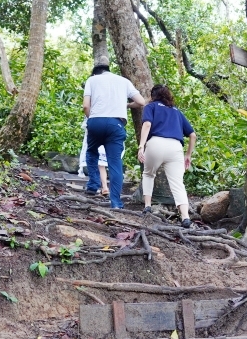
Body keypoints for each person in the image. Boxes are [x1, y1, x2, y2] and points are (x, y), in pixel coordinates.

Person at [83, 57, 145, 208]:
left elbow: (86, 106)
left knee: (91, 152)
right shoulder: (124, 81)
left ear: (97, 72)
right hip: (116, 124)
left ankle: (93, 185)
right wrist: (127, 105)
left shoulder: (92, 80)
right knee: (115, 163)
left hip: (96, 121)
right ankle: (116, 203)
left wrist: (92, 120)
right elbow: (141, 102)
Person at [136, 84, 197, 228]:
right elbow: (192, 135)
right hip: (175, 147)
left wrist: (141, 146)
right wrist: (188, 155)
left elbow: (147, 125)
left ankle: (148, 206)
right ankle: (185, 217)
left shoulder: (150, 107)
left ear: (153, 96)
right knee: (177, 183)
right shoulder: (176, 111)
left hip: (155, 143)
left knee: (149, 174)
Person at [77, 118, 108, 196]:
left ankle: (94, 186)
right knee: (101, 165)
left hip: (94, 132)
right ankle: (104, 187)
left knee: (93, 160)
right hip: (108, 132)